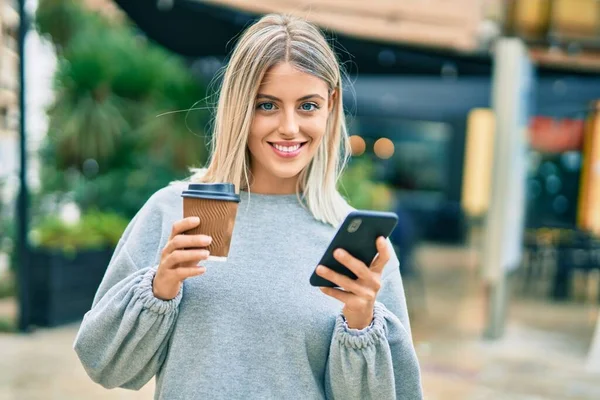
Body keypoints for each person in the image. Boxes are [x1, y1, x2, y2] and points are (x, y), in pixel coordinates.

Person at [74, 14, 423, 399]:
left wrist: (361, 324)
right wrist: (160, 289)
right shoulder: (176, 211)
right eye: (267, 105)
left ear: (331, 104)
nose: (289, 127)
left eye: (308, 105)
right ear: (239, 106)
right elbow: (104, 366)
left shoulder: (356, 246)